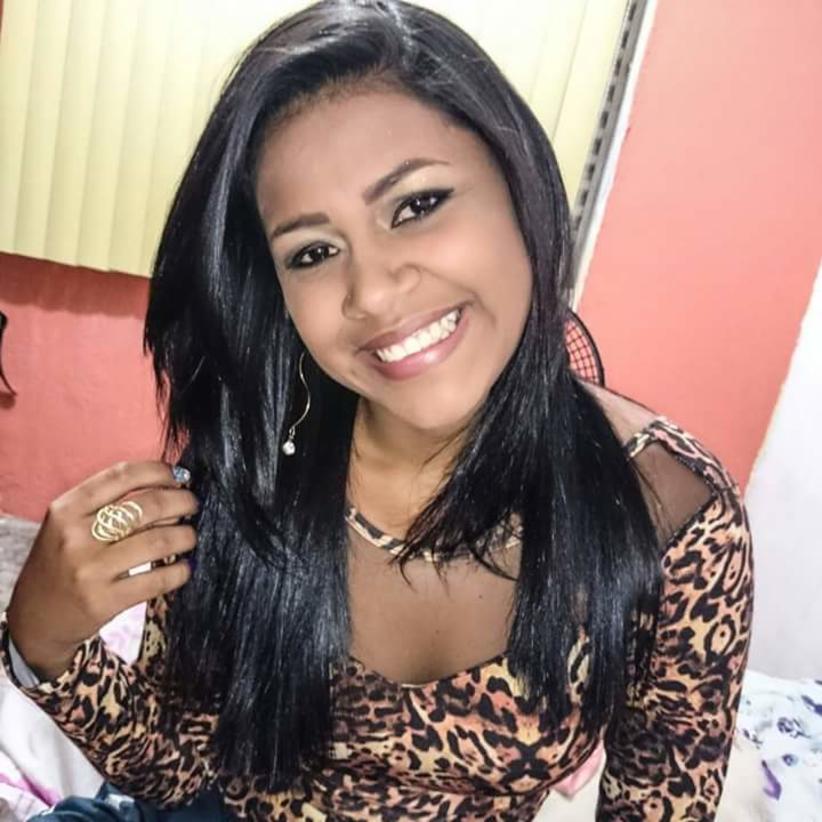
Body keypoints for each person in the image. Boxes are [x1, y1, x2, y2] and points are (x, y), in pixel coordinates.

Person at [1, 0, 754, 819]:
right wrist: (42, 641)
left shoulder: (673, 517)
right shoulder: (255, 463)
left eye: (417, 205)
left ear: (519, 185)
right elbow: (179, 773)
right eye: (314, 252)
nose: (373, 293)